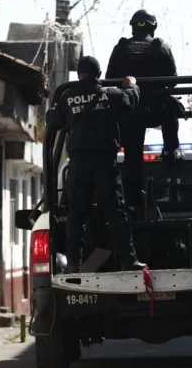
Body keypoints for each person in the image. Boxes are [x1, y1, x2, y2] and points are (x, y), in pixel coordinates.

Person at [55, 55, 146, 273]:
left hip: (79, 164)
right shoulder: (110, 94)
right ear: (99, 74)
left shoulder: (67, 97)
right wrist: (132, 84)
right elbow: (131, 100)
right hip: (105, 162)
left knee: (77, 215)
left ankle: (73, 264)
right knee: (116, 213)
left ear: (79, 74)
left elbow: (55, 121)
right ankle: (128, 260)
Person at [105, 9, 184, 216]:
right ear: (153, 26)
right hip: (156, 109)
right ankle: (170, 150)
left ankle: (132, 204)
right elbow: (173, 80)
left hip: (129, 113)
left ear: (132, 26)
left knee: (132, 159)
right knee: (171, 107)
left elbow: (109, 78)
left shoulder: (120, 48)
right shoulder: (161, 46)